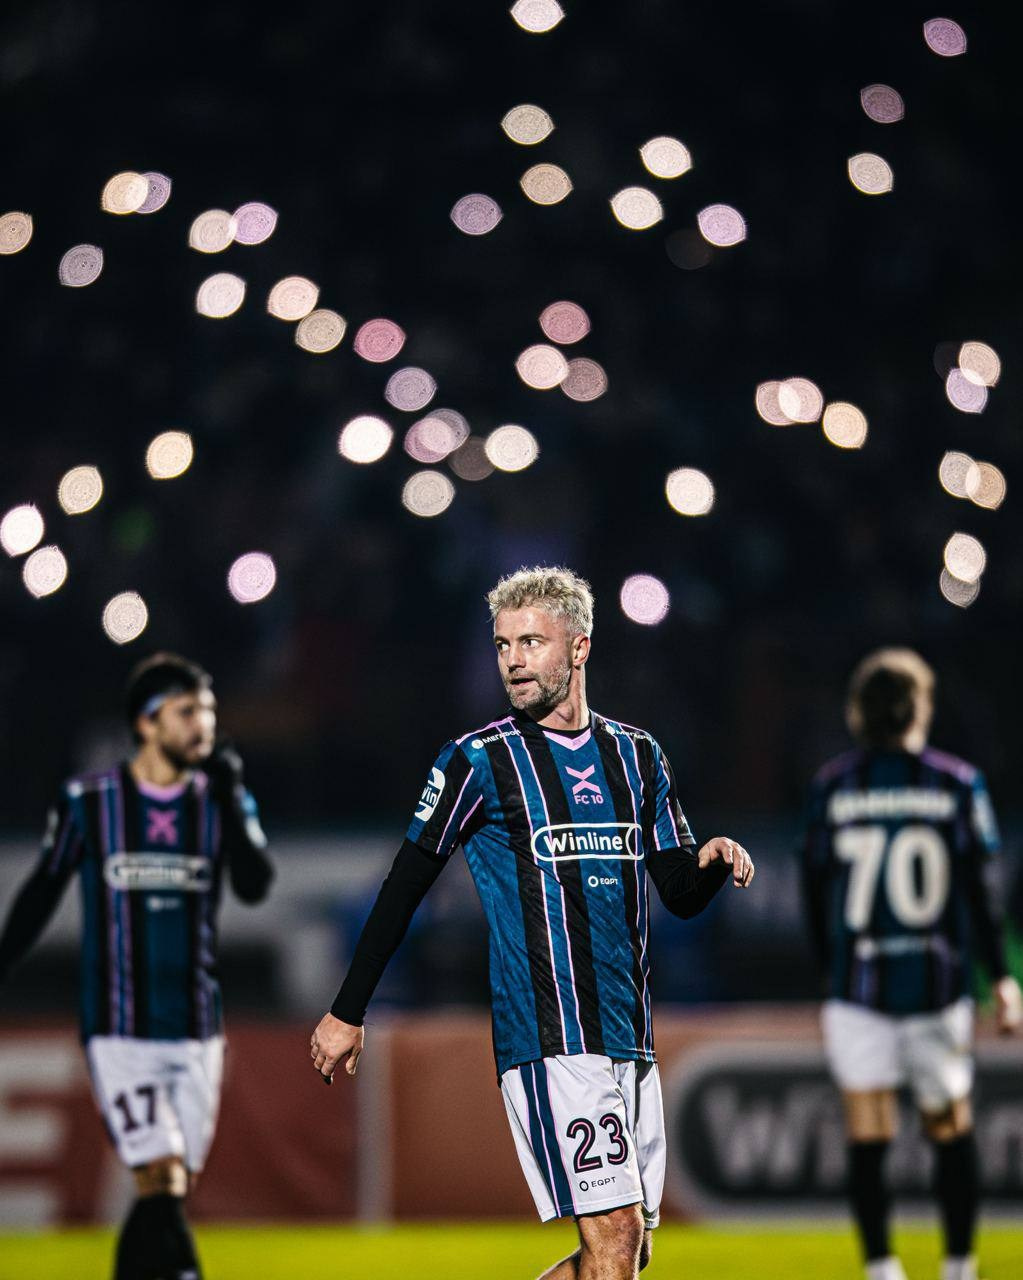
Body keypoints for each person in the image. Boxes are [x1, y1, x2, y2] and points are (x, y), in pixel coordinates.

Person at [310, 566, 754, 1280]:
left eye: (530, 642)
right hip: (550, 1036)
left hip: (628, 1034)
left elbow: (676, 892)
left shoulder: (637, 756)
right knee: (614, 1236)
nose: (513, 660)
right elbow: (403, 887)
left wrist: (708, 864)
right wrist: (347, 1009)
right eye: (502, 644)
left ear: (578, 647)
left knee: (625, 1251)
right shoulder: (478, 761)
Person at [0, 652, 274, 1280]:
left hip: (197, 1028)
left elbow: (256, 885)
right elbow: (42, 889)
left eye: (208, 711)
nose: (204, 725)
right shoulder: (90, 802)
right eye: (187, 712)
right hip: (120, 1028)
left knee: (165, 1192)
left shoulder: (220, 799)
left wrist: (233, 801)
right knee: (161, 1174)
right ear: (147, 723)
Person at [800, 647, 1022, 1280]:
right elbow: (982, 892)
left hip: (859, 990)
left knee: (868, 1133)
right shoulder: (956, 784)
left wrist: (829, 969)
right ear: (921, 707)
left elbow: (813, 888)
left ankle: (882, 1268)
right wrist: (1001, 977)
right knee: (951, 1127)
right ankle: (959, 1266)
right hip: (938, 986)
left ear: (858, 712)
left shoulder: (833, 785)